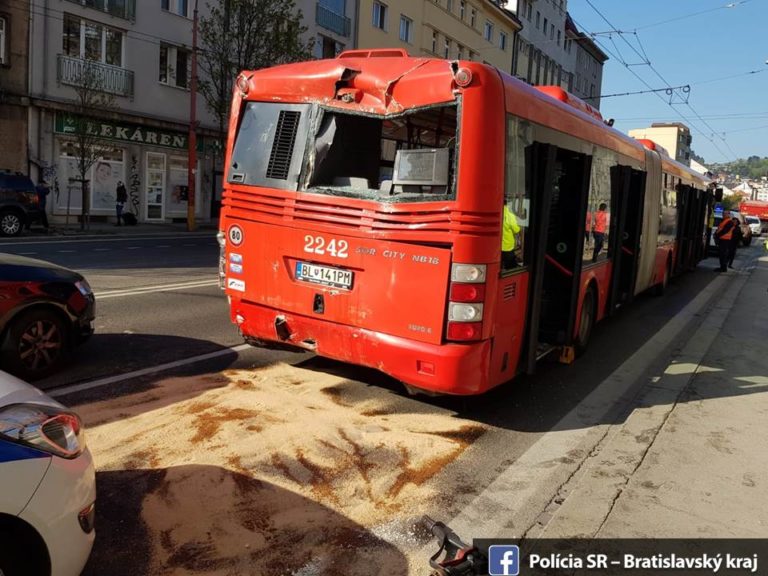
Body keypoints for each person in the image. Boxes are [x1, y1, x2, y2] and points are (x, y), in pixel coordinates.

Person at [502, 204, 521, 269]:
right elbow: (516, 229)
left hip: (497, 247)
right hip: (507, 247)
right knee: (511, 267)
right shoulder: (509, 215)